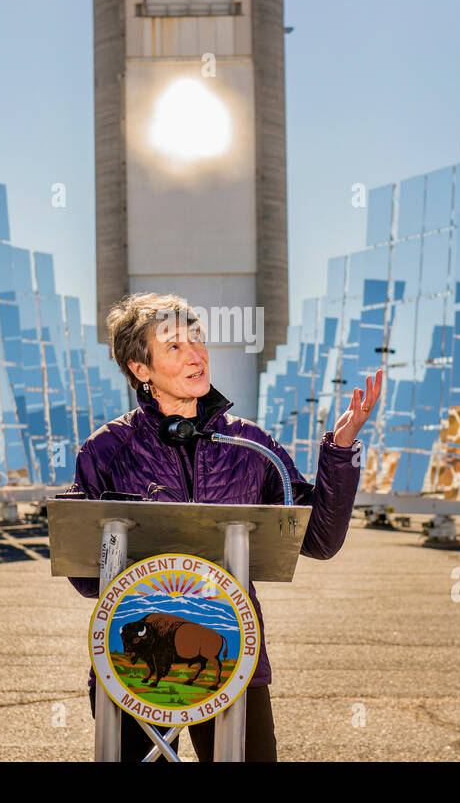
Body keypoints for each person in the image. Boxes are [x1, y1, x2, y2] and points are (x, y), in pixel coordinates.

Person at [66, 291, 382, 761]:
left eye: (197, 339)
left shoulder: (251, 444)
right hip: (131, 660)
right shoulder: (107, 449)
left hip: (231, 657)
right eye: (174, 346)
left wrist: (339, 449)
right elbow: (87, 576)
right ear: (141, 369)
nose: (196, 354)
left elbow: (318, 539)